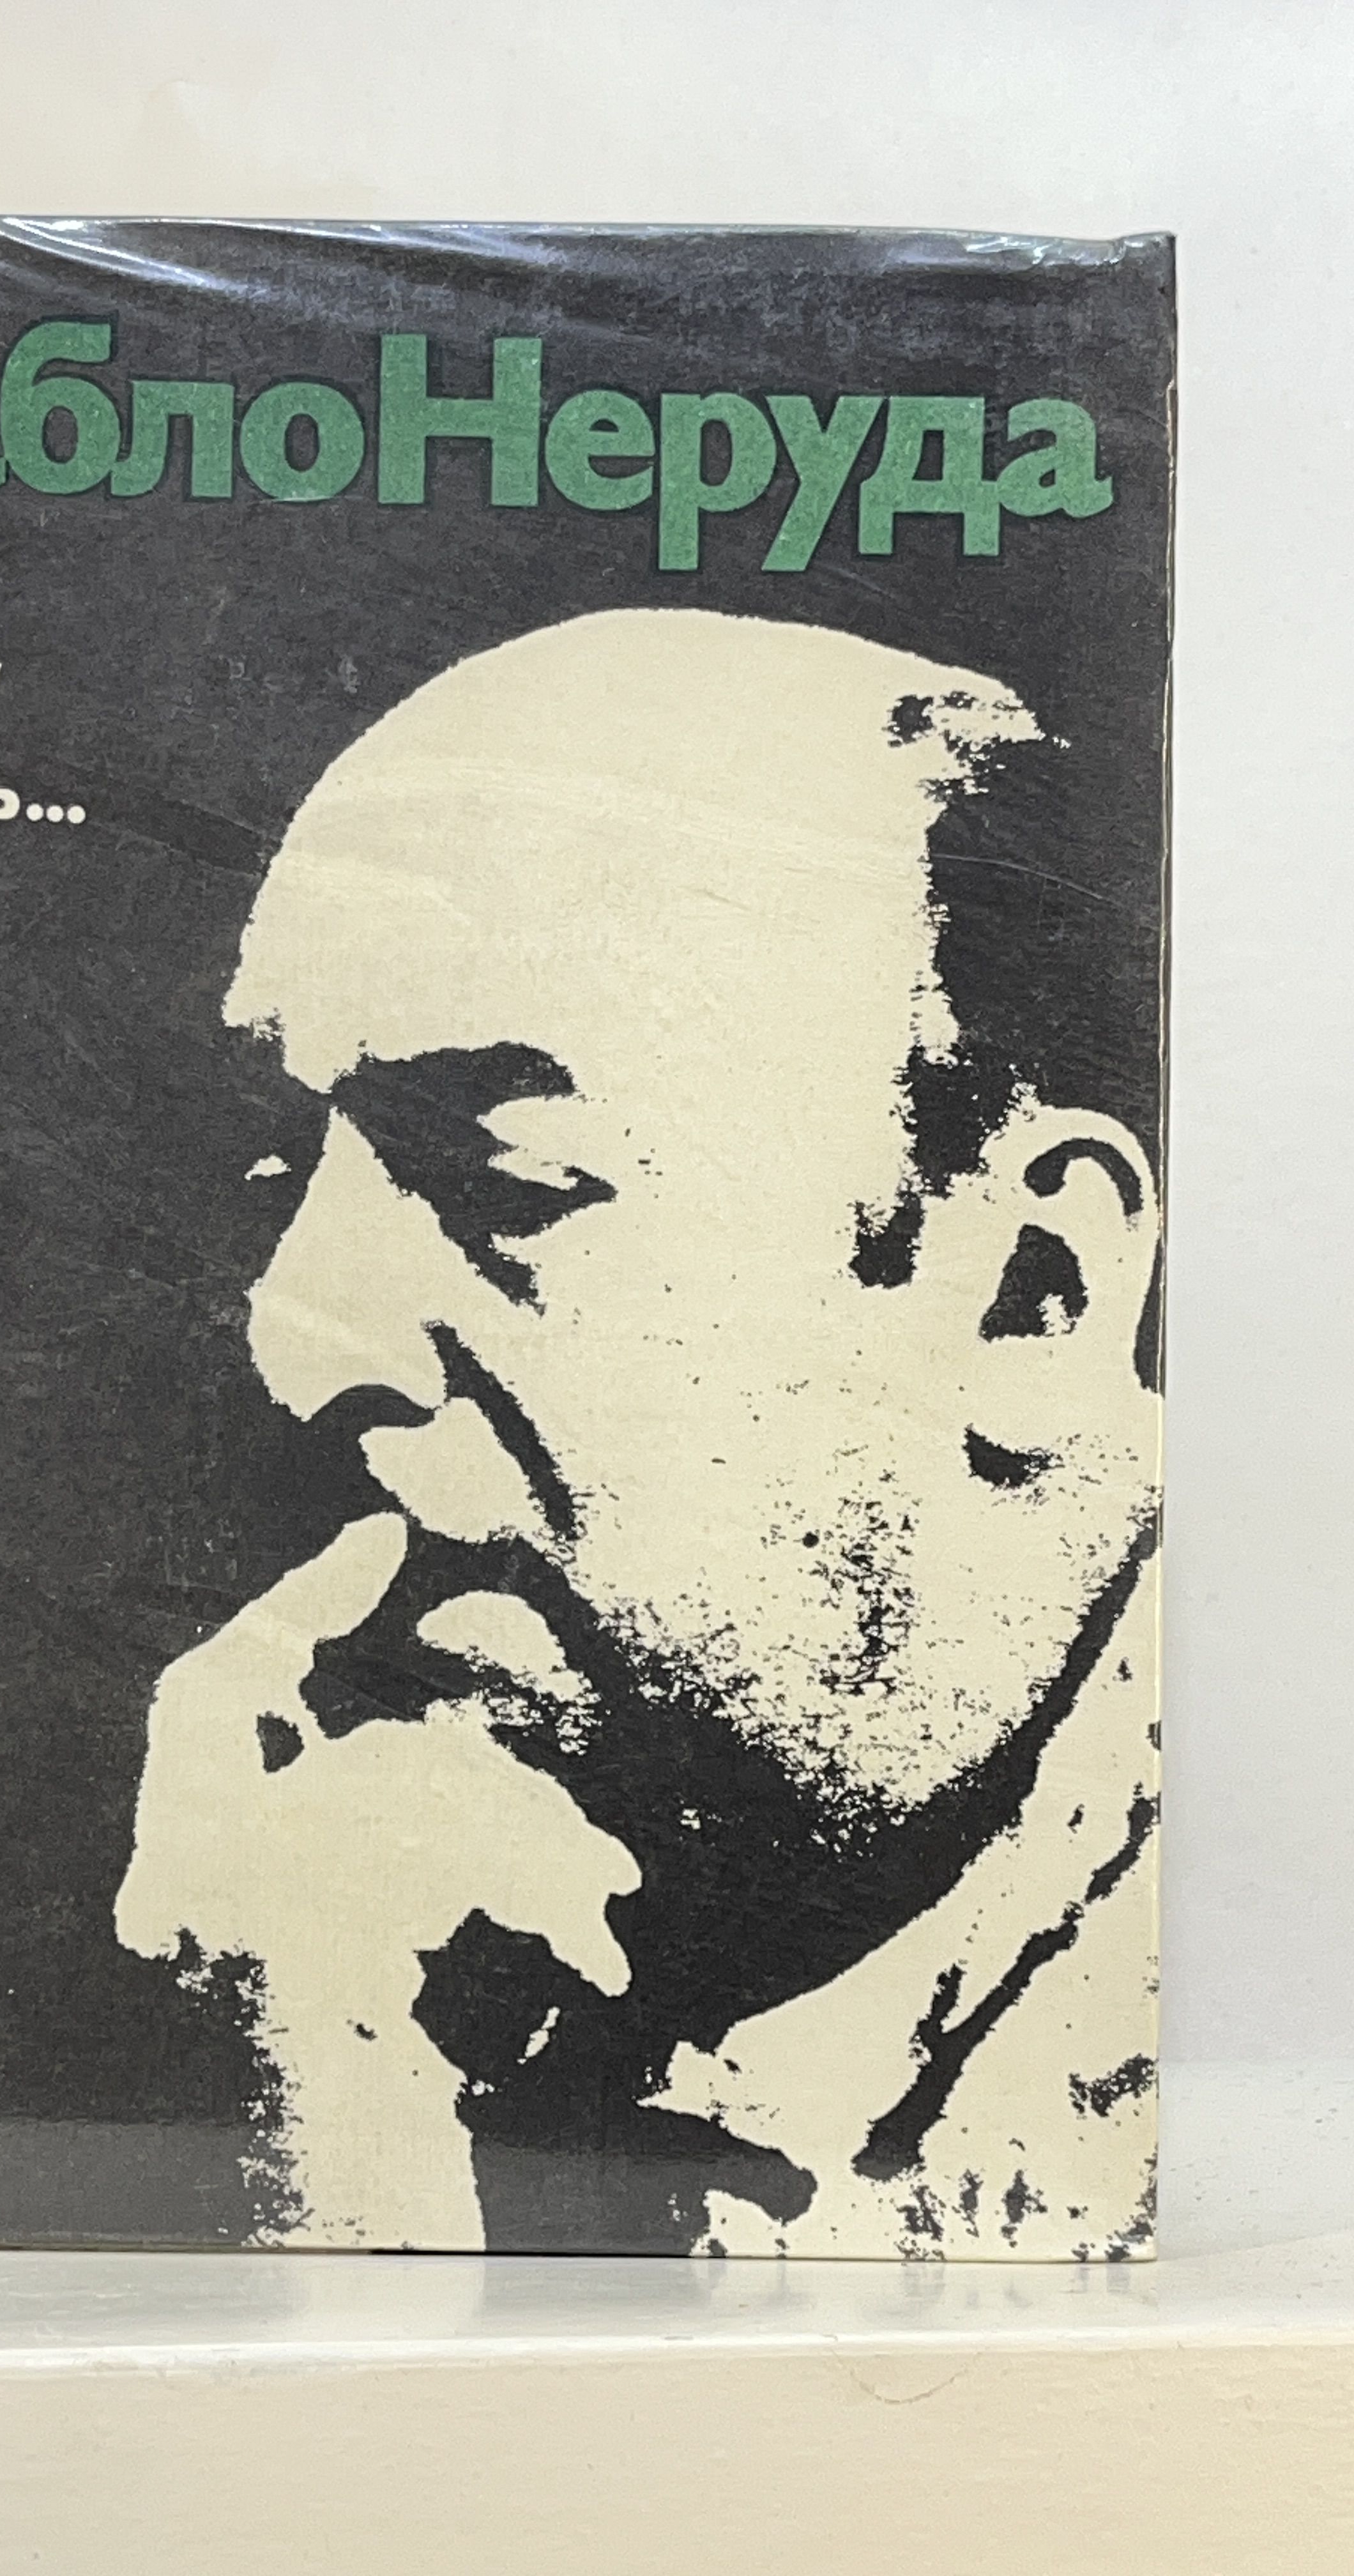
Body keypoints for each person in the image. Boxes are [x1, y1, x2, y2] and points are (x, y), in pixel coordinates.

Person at [116, 608, 1162, 2259]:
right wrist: (322, 2076)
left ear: (1034, 1298)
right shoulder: (377, 1922)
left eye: (512, 1186)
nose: (292, 1343)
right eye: (276, 1177)